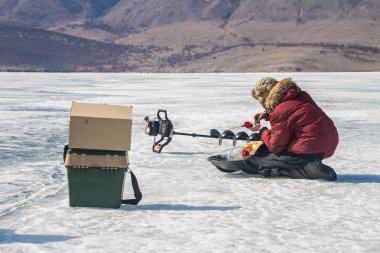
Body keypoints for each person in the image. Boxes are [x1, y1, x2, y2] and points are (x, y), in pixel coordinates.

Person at [248, 77, 338, 181]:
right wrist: (268, 115)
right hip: (329, 142)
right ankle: (311, 163)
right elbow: (293, 113)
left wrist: (261, 130)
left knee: (266, 165)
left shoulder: (279, 112)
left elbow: (276, 147)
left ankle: (309, 171)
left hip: (310, 147)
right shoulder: (301, 95)